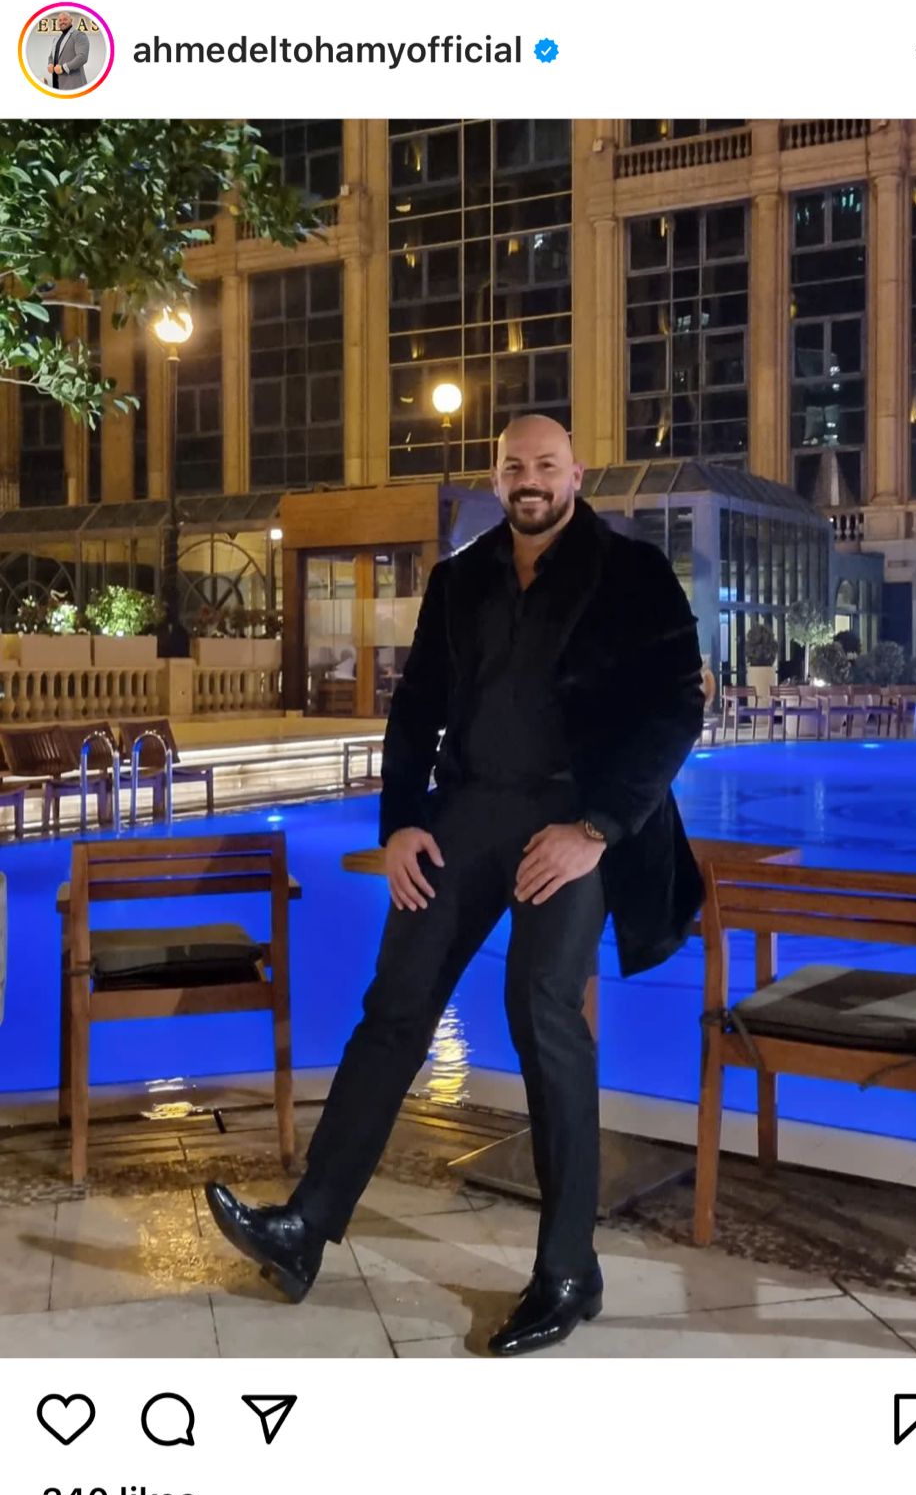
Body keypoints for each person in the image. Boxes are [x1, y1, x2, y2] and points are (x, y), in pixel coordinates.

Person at [206, 414, 704, 1355]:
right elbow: (416, 709)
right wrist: (399, 822)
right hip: (467, 812)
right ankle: (306, 1226)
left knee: (543, 1012)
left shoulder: (632, 573)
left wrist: (597, 830)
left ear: (576, 474)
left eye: (546, 465)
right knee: (395, 1006)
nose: (530, 479)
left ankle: (568, 1271)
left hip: (572, 819)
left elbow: (676, 707)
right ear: (495, 475)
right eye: (514, 465)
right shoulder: (460, 576)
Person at [44, 13, 89, 89]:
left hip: (74, 85)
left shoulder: (79, 35)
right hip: (57, 84)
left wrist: (63, 68)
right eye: (60, 20)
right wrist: (50, 64)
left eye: (65, 19)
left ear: (71, 20)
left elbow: (82, 57)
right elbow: (51, 56)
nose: (62, 22)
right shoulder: (56, 38)